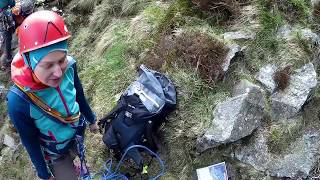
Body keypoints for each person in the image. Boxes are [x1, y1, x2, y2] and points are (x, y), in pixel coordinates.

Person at [6, 10, 99, 180]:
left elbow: (79, 95)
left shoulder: (70, 66)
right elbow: (30, 142)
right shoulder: (18, 100)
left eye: (61, 60)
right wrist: (44, 175)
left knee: (77, 154)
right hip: (55, 152)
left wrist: (91, 119)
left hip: (76, 131)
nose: (58, 73)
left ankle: (76, 165)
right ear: (28, 62)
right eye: (48, 65)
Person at [0, 0, 35, 71]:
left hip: (13, 12)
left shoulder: (24, 8)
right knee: (7, 39)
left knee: (8, 38)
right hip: (5, 18)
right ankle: (7, 62)